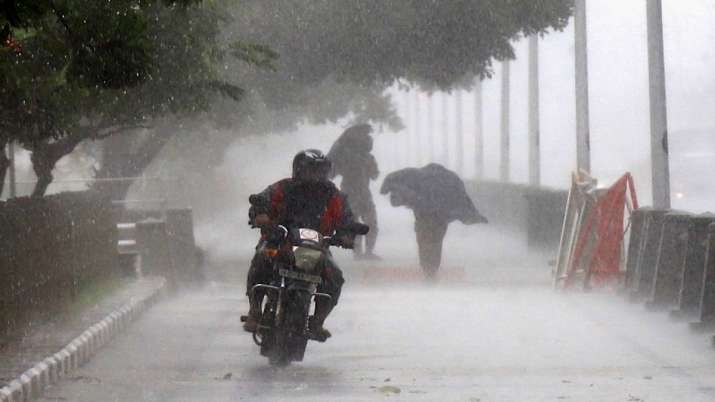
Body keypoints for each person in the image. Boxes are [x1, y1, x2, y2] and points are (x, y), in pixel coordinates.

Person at [243, 149, 359, 341]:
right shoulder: (282, 188)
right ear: (299, 170)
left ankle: (317, 321)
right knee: (261, 259)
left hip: (315, 248)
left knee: (334, 277)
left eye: (321, 171)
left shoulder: (334, 196)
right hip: (280, 242)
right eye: (312, 171)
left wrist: (347, 234)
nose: (317, 176)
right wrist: (261, 215)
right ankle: (255, 310)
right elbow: (261, 201)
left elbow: (347, 218)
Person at [380, 163, 488, 277]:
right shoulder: (450, 180)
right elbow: (463, 199)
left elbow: (393, 181)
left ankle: (427, 267)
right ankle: (432, 268)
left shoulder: (415, 178)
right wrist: (473, 215)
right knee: (436, 242)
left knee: (423, 241)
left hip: (424, 216)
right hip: (441, 217)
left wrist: (388, 190)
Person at [327, 124, 380, 260]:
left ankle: (365, 253)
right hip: (352, 193)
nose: (368, 139)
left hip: (360, 193)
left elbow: (374, 174)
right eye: (365, 136)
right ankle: (360, 253)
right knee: (361, 224)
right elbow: (333, 171)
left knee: (368, 223)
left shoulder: (365, 157)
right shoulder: (346, 154)